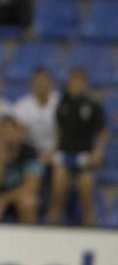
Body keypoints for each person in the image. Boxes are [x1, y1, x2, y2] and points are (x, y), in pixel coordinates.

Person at [48, 68, 108, 226]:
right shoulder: (62, 105)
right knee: (57, 193)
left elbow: (103, 132)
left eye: (79, 82)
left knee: (86, 196)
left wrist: (98, 152)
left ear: (85, 84)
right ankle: (52, 231)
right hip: (65, 155)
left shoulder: (93, 106)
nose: (75, 86)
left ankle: (90, 232)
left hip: (84, 157)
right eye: (72, 82)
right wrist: (53, 151)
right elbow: (58, 131)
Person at [0, 116, 42, 224]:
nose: (7, 136)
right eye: (3, 132)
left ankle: (29, 238)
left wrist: (4, 200)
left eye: (10, 131)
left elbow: (31, 186)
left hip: (18, 195)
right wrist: (0, 159)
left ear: (18, 132)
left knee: (28, 202)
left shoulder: (30, 152)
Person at [11, 68, 60, 163]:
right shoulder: (22, 106)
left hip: (57, 152)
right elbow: (18, 135)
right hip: (30, 153)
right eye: (38, 82)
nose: (41, 85)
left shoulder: (60, 103)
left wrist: (52, 152)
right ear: (32, 84)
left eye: (44, 81)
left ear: (51, 83)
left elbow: (63, 132)